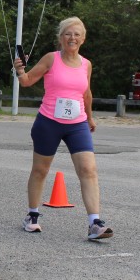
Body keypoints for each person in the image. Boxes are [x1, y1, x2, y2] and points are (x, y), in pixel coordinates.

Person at [13, 16, 113, 241]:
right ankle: (32, 215)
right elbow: (27, 81)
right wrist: (19, 70)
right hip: (49, 122)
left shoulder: (86, 64)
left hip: (77, 124)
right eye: (68, 34)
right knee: (40, 170)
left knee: (88, 169)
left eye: (77, 34)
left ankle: (95, 223)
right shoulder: (51, 58)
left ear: (83, 39)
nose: (72, 38)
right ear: (60, 38)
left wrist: (90, 118)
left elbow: (86, 93)